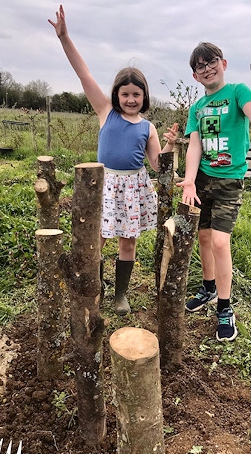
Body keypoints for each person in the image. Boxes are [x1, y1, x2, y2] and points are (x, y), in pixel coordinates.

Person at [49, 5, 178, 315]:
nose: (131, 99)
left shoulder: (148, 128)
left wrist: (171, 147)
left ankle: (120, 294)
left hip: (132, 188)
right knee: (96, 240)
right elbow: (84, 73)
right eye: (125, 94)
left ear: (144, 96)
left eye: (137, 94)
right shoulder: (105, 112)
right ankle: (92, 285)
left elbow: (159, 166)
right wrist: (65, 37)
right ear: (116, 95)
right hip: (102, 186)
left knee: (127, 243)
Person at [178, 42, 251, 342]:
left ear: (223, 64)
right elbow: (196, 145)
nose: (207, 68)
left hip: (229, 182)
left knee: (220, 242)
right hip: (202, 180)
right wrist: (189, 180)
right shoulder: (197, 108)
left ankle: (224, 308)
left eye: (211, 61)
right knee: (202, 236)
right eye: (200, 66)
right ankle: (208, 288)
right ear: (195, 76)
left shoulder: (238, 91)